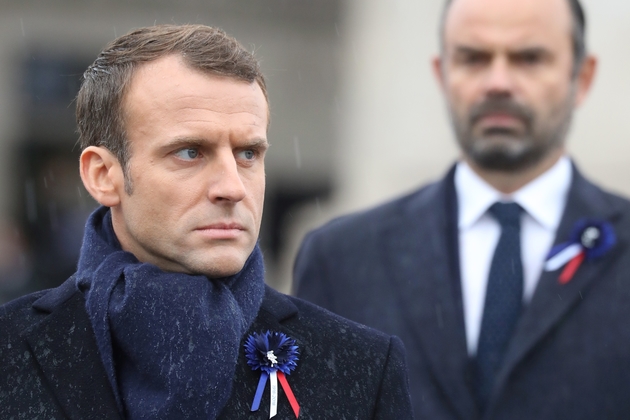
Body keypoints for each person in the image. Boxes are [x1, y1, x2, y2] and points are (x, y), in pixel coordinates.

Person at [0, 25, 413, 419]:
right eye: (190, 152)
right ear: (103, 176)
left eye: (248, 153)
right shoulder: (10, 348)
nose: (232, 187)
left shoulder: (359, 364)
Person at [294, 0, 630, 418]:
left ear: (582, 77)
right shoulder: (341, 259)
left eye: (529, 58)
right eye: (473, 58)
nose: (498, 82)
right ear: (441, 73)